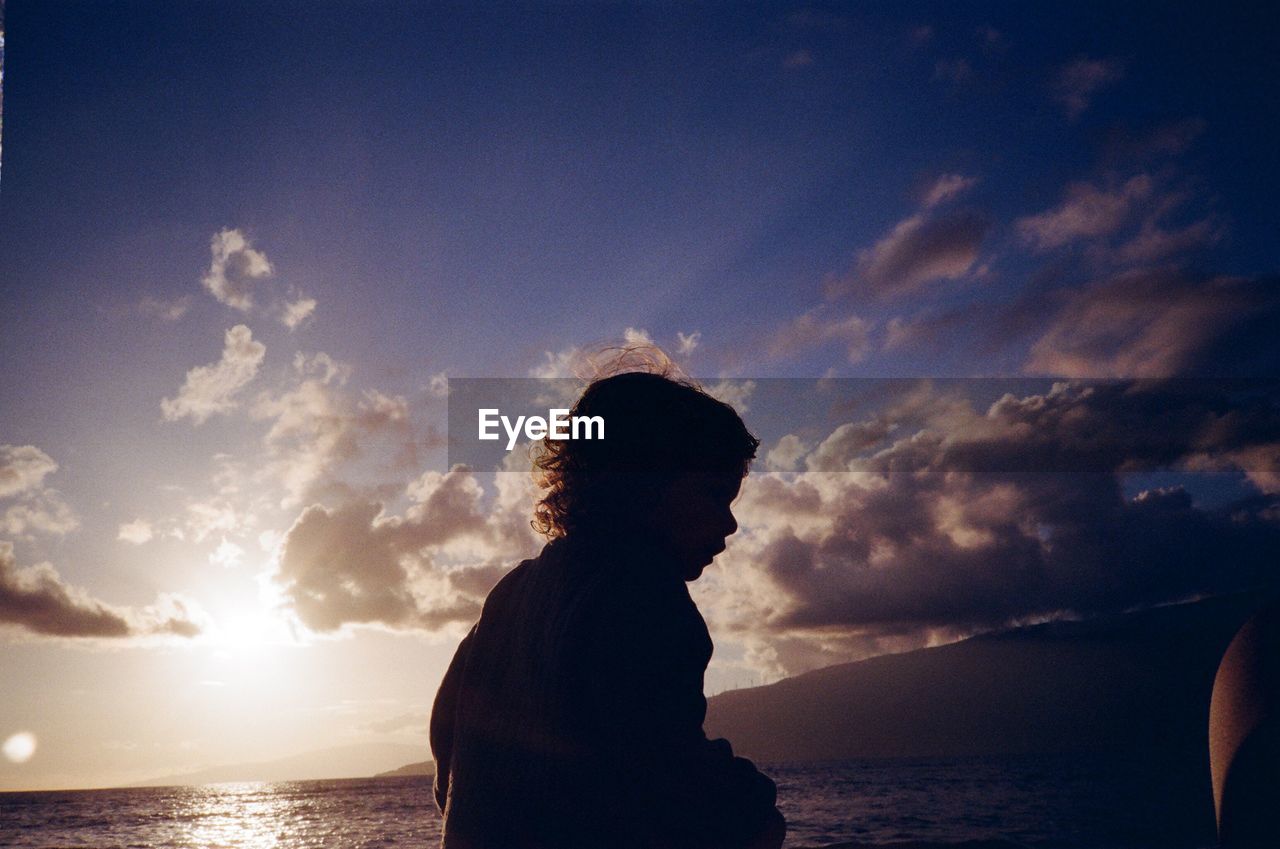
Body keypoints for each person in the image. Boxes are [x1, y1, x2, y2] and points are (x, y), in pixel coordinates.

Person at [430, 368, 786, 849]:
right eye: (712, 495)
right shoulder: (642, 595)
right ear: (637, 483)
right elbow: (666, 779)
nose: (729, 523)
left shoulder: (509, 594)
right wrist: (752, 801)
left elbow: (445, 744)